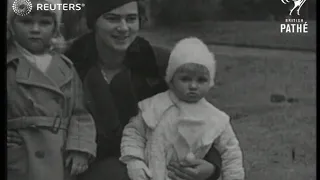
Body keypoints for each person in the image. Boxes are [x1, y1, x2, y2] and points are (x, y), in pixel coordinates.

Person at [65, 0, 223, 179]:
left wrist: (211, 166)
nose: (123, 28)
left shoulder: (160, 63)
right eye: (112, 19)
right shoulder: (69, 64)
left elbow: (198, 115)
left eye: (131, 19)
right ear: (94, 22)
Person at [120, 37, 245, 180]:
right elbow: (134, 133)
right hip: (151, 173)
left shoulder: (215, 117)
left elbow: (231, 153)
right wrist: (134, 161)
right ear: (171, 80)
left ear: (210, 82)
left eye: (201, 80)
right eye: (185, 79)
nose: (193, 86)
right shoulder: (154, 106)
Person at [6, 0, 97, 180]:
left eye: (45, 23)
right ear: (11, 26)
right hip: (20, 156)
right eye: (26, 21)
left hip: (59, 156)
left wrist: (80, 148)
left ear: (56, 28)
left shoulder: (66, 68)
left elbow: (80, 114)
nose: (35, 29)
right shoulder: (10, 66)